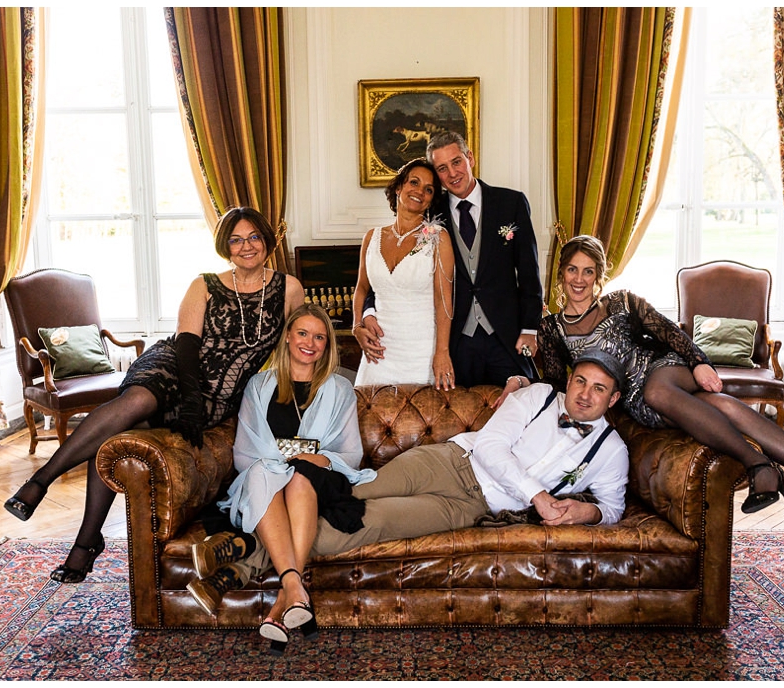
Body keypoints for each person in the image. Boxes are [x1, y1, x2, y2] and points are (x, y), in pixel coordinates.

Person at [186, 349, 630, 617]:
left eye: (598, 389)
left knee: (352, 526)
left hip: (466, 508)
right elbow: (493, 446)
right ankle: (239, 554)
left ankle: (239, 555)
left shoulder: (611, 451)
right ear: (569, 379)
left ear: (612, 399)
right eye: (580, 381)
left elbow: (612, 508)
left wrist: (585, 511)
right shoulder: (538, 395)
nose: (584, 394)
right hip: (447, 460)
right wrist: (540, 496)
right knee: (342, 494)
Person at [498, 234, 784, 525]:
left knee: (657, 388)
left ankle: (757, 464)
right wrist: (520, 380)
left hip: (665, 371)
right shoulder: (551, 329)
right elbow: (554, 384)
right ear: (561, 273)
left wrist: (699, 361)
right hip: (642, 404)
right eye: (572, 270)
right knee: (724, 409)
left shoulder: (622, 302)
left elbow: (669, 331)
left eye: (588, 271)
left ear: (599, 276)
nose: (579, 280)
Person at [3, 207, 305, 582]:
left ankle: (85, 542)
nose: (246, 246)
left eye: (254, 237)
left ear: (267, 240)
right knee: (139, 401)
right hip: (173, 368)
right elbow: (187, 347)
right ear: (225, 246)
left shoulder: (289, 288)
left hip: (219, 394)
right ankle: (41, 482)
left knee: (117, 439)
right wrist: (191, 401)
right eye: (236, 239)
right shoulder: (204, 284)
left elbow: (296, 345)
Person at [204, 304, 376, 655]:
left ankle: (284, 598)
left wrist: (320, 458)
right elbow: (246, 449)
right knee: (263, 473)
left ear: (327, 346)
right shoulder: (259, 385)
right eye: (302, 333)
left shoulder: (340, 388)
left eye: (319, 337)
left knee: (300, 476)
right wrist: (279, 463)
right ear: (287, 336)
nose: (309, 343)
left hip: (317, 479)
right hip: (266, 473)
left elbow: (349, 451)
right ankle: (296, 594)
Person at [354, 131, 543, 388]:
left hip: (505, 335)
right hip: (457, 342)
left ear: (470, 158)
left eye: (456, 162)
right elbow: (390, 276)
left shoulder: (511, 203)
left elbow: (529, 272)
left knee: (524, 407)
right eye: (442, 168)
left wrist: (529, 329)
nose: (452, 173)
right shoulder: (430, 211)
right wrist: (366, 313)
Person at [351, 158, 456, 388]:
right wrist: (357, 325)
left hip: (421, 351)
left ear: (431, 200)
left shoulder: (439, 238)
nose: (420, 191)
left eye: (428, 190)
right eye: (414, 182)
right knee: (367, 419)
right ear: (399, 187)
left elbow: (444, 301)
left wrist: (442, 352)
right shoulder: (372, 236)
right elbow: (361, 288)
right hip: (378, 351)